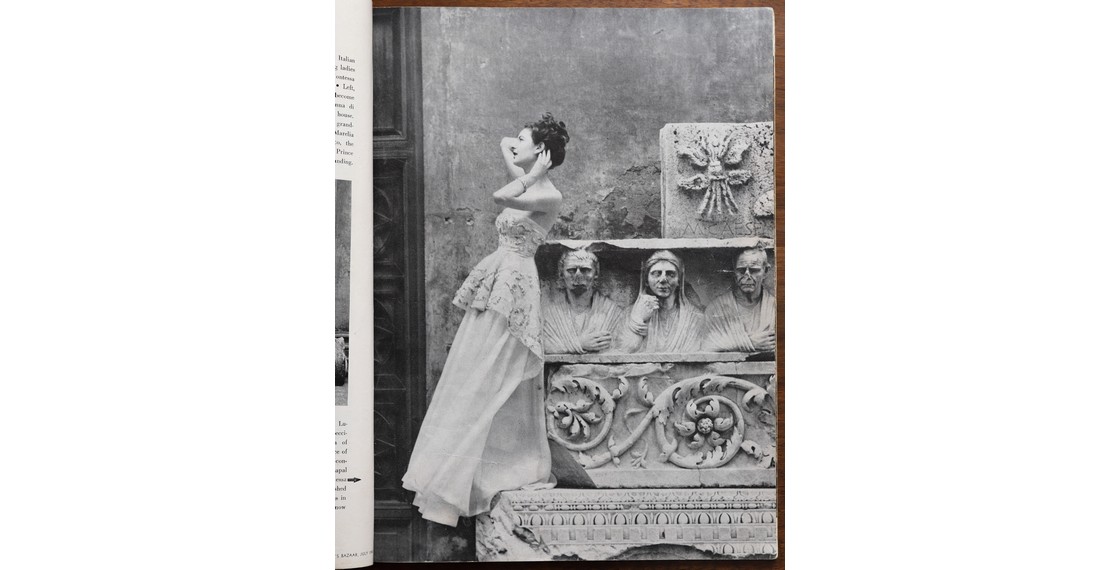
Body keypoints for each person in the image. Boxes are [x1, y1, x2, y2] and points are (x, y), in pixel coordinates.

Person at [401, 113, 569, 527]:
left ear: (540, 151)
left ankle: (488, 470)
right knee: (473, 370)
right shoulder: (528, 182)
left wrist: (533, 170)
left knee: (494, 372)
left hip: (516, 283)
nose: (517, 144)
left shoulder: (549, 195)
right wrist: (522, 154)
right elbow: (506, 146)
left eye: (526, 141)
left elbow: (499, 196)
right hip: (498, 275)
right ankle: (453, 472)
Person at [616, 250, 707, 353]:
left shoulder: (694, 318)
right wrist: (639, 319)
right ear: (646, 280)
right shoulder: (629, 315)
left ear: (679, 280)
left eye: (670, 274)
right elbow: (624, 352)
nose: (663, 279)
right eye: (656, 274)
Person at [541, 249, 625, 354]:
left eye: (585, 270)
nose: (578, 276)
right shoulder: (549, 315)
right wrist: (580, 344)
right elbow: (540, 346)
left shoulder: (612, 313)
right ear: (561, 274)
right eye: (571, 270)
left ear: (596, 274)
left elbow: (623, 347)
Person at [703, 248, 776, 356]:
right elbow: (706, 348)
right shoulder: (716, 308)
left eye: (754, 270)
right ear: (734, 272)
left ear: (765, 271)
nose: (747, 276)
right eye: (741, 270)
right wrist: (749, 343)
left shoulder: (775, 308)